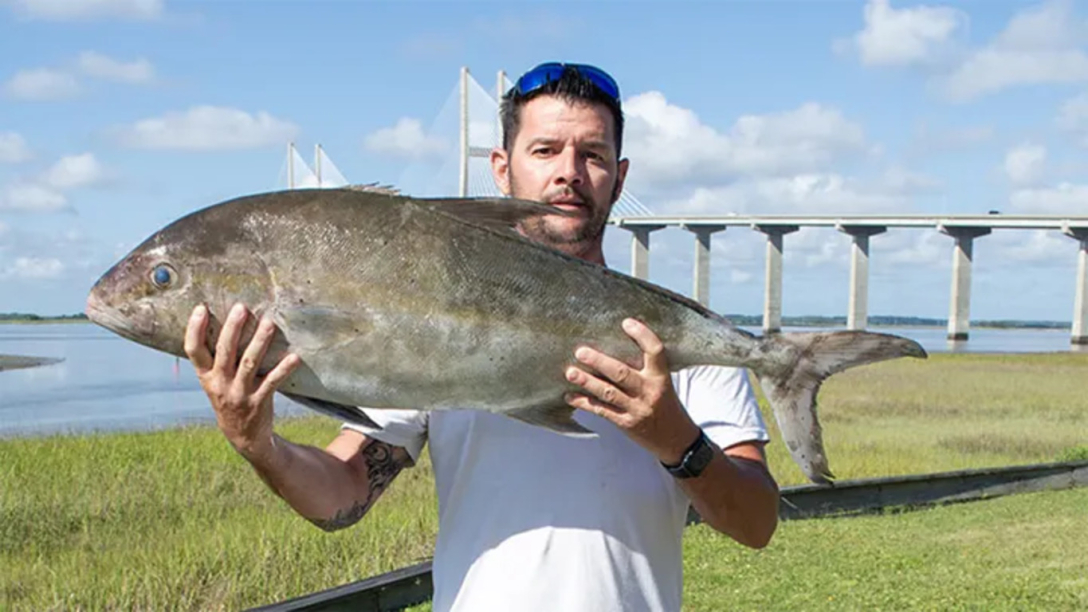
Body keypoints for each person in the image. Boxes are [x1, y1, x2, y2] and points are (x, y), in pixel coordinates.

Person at [183, 62, 780, 611]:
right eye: (545, 150)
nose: (568, 173)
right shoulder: (428, 324)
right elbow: (344, 491)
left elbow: (756, 525)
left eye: (593, 154)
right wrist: (258, 444)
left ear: (619, 178)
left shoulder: (675, 337)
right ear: (502, 169)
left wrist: (675, 438)